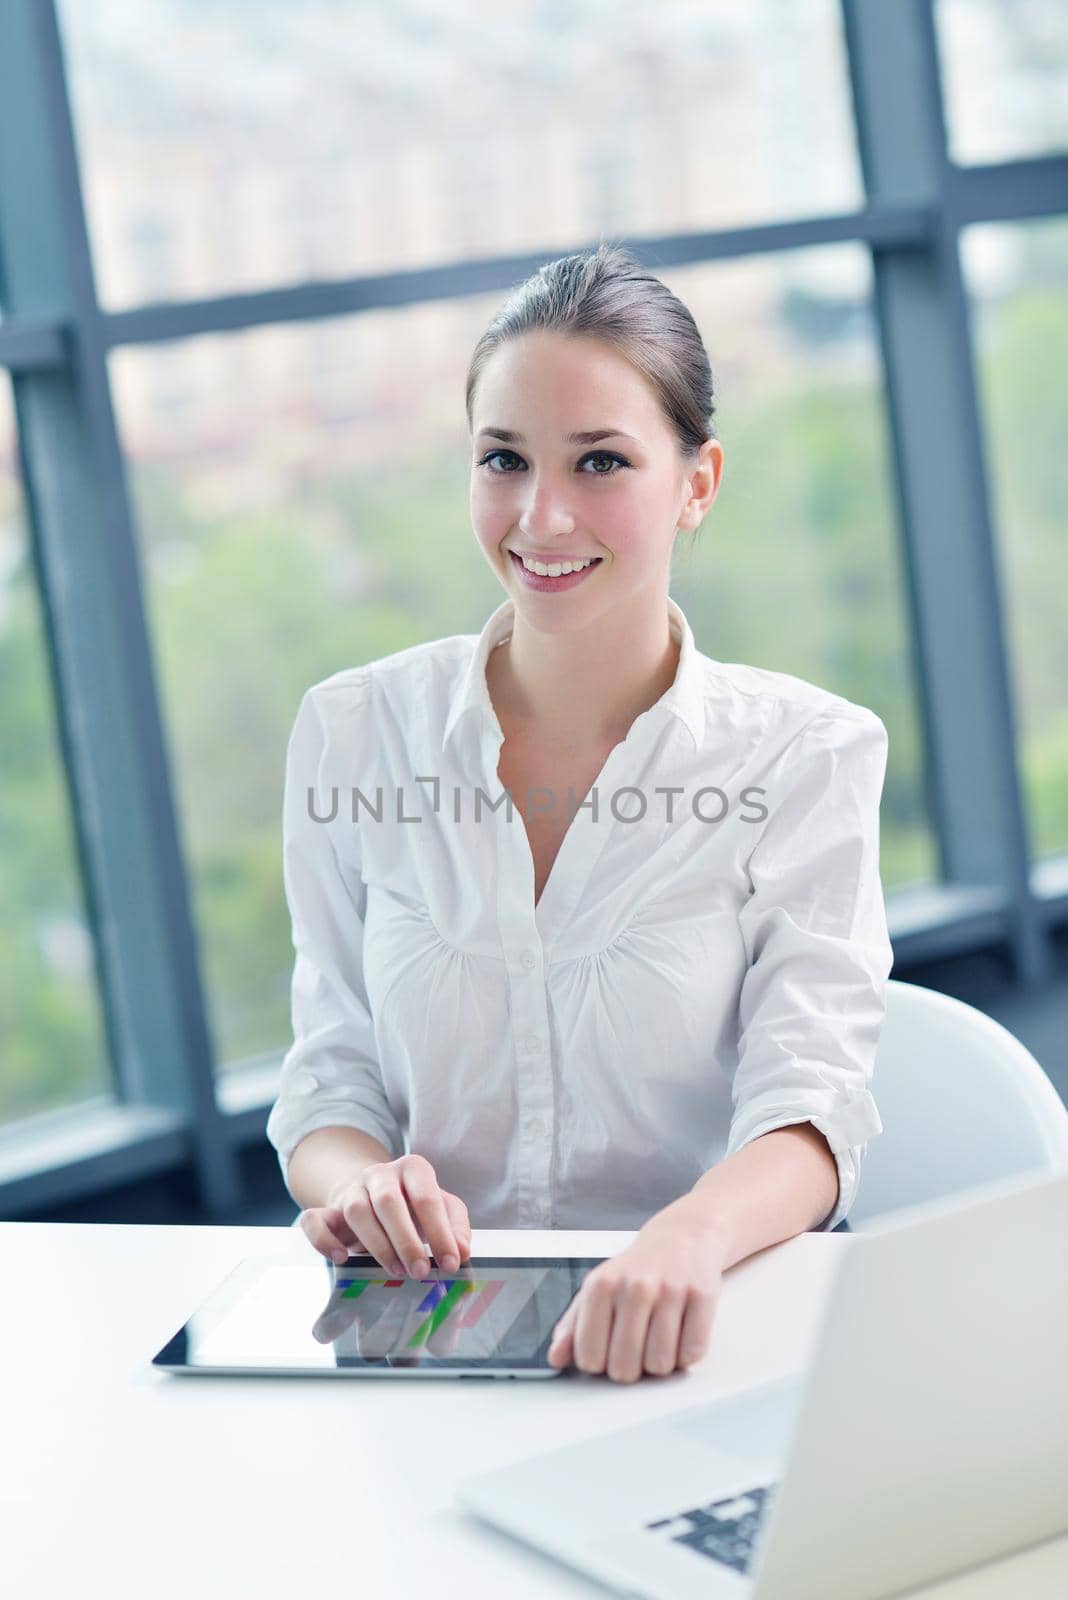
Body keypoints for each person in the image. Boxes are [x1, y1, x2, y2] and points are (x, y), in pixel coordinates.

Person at [265, 242, 894, 1385]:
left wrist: (684, 1240)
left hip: (715, 1324)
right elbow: (331, 1073)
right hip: (441, 1333)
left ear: (697, 482)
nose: (542, 517)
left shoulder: (808, 755)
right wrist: (358, 1180)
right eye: (504, 458)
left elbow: (814, 1108)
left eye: (601, 461)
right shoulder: (355, 732)